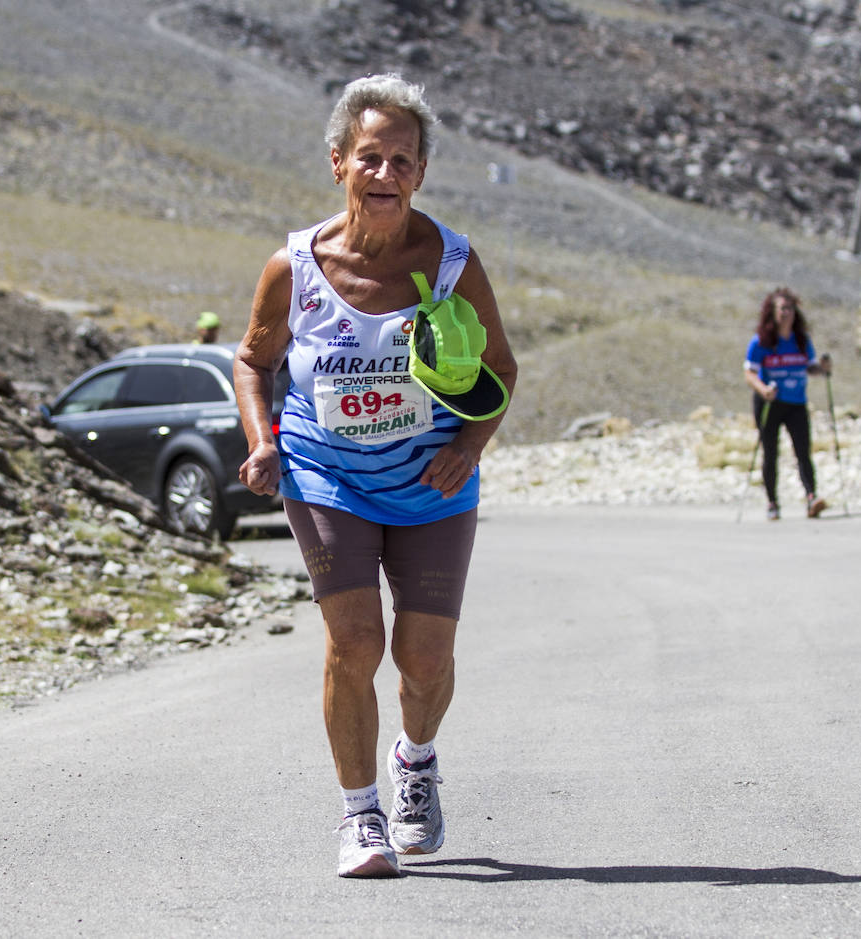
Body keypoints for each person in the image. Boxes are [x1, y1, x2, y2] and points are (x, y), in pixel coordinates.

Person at [233, 73, 518, 878]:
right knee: (355, 642)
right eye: (369, 157)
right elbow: (253, 362)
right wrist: (263, 441)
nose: (384, 173)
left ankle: (416, 760)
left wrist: (471, 443)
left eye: (401, 159)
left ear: (420, 172)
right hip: (327, 477)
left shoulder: (453, 261)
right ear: (338, 163)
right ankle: (361, 818)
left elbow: (500, 369)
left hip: (431, 483)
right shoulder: (295, 267)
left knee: (423, 660)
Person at [743, 287, 833, 520]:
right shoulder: (761, 341)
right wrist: (764, 390)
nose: (786, 313)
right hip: (770, 404)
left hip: (796, 403)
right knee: (770, 452)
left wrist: (822, 369)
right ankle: (772, 502)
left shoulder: (801, 341)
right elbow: (749, 373)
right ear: (772, 312)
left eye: (790, 308)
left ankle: (812, 497)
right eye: (782, 309)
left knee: (803, 451)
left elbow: (810, 367)